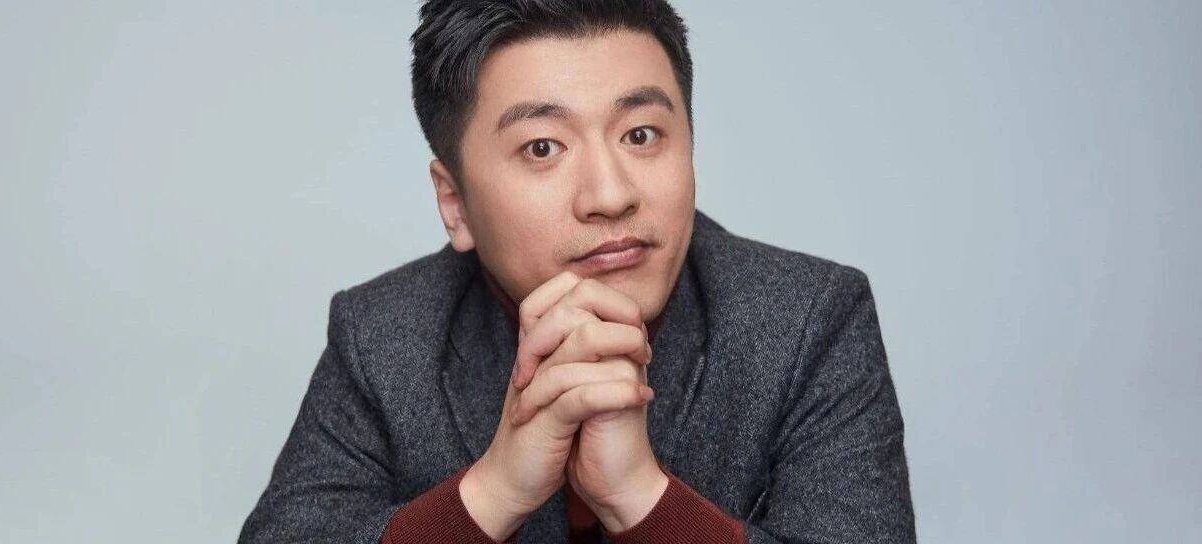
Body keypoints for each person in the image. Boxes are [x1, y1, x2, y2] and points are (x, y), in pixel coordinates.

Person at [239, 1, 915, 542]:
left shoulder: (809, 318)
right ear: (455, 204)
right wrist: (493, 493)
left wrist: (640, 498)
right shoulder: (381, 334)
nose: (610, 195)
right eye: (542, 147)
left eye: (641, 134)